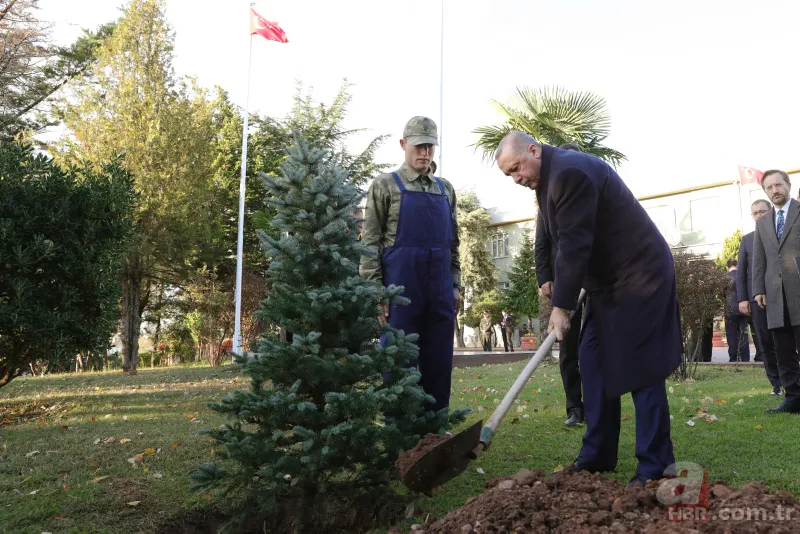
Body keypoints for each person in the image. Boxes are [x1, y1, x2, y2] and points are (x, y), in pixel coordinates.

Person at [494, 131, 682, 488]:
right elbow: (565, 240)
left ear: (534, 150)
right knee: (593, 362)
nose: (517, 178)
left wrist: (560, 305)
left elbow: (575, 244)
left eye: (517, 167)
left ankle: (655, 466)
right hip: (607, 286)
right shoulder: (547, 179)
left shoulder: (569, 173)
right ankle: (598, 455)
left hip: (640, 276)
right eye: (509, 174)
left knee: (642, 371)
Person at [359, 116, 461, 413]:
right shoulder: (384, 186)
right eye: (418, 146)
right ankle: (399, 433)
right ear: (404, 145)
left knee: (440, 361)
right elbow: (370, 244)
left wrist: (455, 284)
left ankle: (435, 428)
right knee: (397, 361)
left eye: (430, 146)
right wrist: (376, 291)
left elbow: (453, 242)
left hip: (440, 290)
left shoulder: (446, 190)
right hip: (400, 290)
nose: (424, 153)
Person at [536, 142, 585, 427]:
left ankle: (594, 406)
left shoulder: (590, 195)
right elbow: (541, 244)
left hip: (591, 289)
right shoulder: (547, 202)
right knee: (568, 350)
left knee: (592, 350)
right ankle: (574, 409)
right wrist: (545, 278)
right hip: (563, 287)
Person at [753, 170, 800, 413]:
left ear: (788, 185)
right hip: (775, 295)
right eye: (769, 188)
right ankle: (793, 397)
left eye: (778, 185)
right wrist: (758, 289)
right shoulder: (762, 222)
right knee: (783, 351)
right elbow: (759, 260)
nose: (775, 191)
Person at [737, 199, 782, 394]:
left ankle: (791, 379)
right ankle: (776, 384)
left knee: (784, 340)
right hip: (755, 300)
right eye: (754, 213)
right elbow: (741, 273)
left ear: (770, 212)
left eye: (762, 211)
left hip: (781, 295)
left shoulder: (782, 234)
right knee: (764, 341)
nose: (758, 216)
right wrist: (742, 299)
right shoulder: (747, 239)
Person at [724, 259, 750, 362]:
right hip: (742, 308)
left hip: (729, 309)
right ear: (737, 265)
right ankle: (745, 358)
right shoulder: (743, 277)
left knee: (731, 335)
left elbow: (722, 294)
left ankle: (733, 357)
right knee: (743, 334)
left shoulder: (724, 277)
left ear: (727, 267)